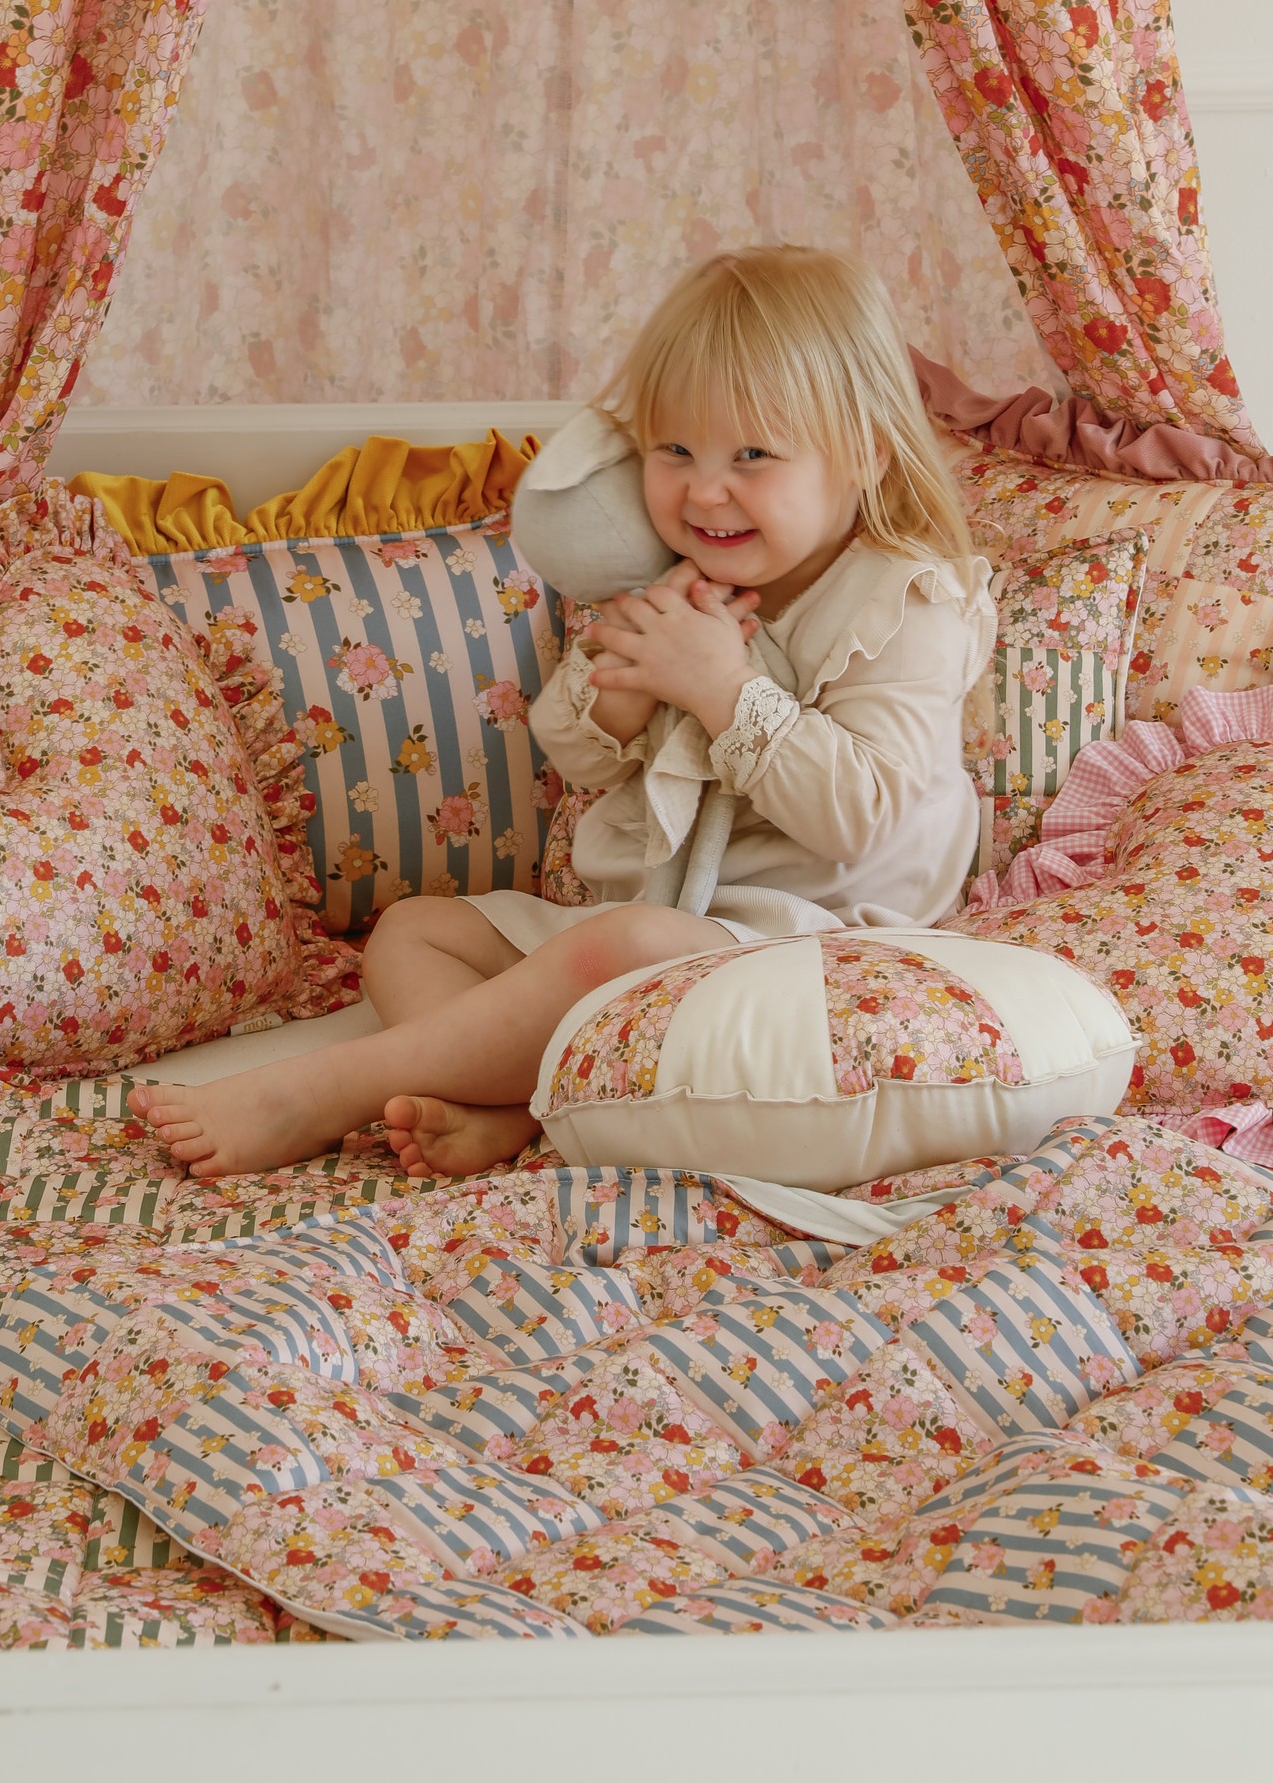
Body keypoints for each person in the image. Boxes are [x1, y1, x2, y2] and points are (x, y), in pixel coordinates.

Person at [130, 246, 994, 1180]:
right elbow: (579, 756)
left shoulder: (903, 602)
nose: (704, 490)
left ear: (863, 453)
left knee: (621, 946)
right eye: (674, 451)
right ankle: (504, 1100)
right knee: (415, 931)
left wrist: (720, 688)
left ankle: (326, 1088)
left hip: (822, 949)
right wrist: (625, 693)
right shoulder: (677, 585)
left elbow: (858, 815)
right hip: (667, 924)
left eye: (752, 455)